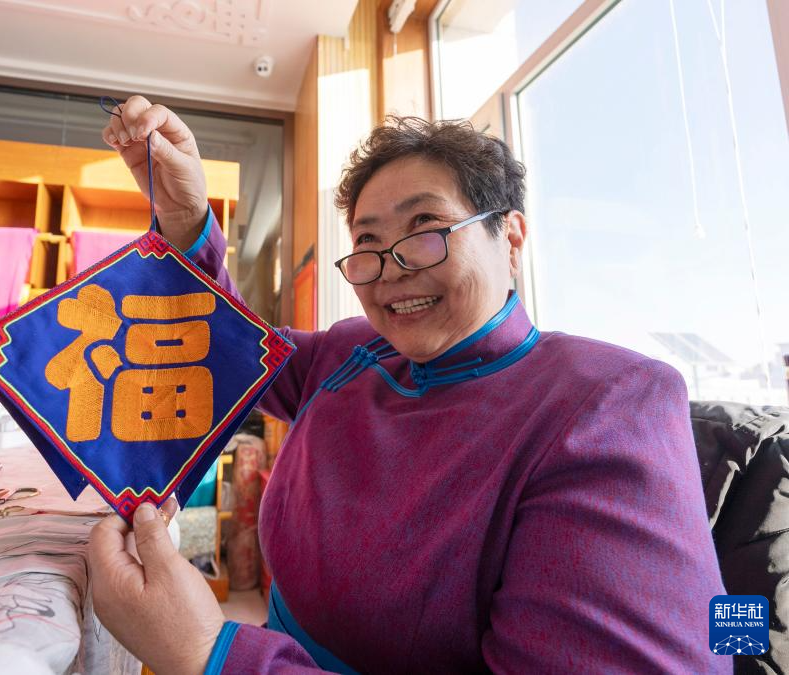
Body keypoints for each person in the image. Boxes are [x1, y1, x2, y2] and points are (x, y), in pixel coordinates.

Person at [87, 96, 729, 674]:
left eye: (425, 229)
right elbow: (224, 350)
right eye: (368, 241)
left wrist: (209, 654)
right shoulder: (352, 348)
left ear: (510, 238)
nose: (391, 269)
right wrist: (185, 217)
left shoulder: (609, 405)